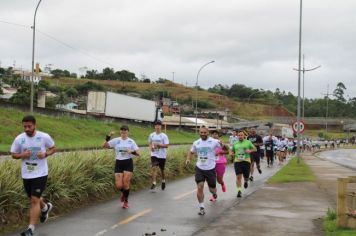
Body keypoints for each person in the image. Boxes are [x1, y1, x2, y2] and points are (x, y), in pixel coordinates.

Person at [11, 115, 56, 236]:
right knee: (34, 199)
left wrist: (46, 154)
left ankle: (30, 229)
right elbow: (13, 154)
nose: (26, 129)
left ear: (35, 125)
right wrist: (23, 155)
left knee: (34, 200)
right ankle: (45, 207)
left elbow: (53, 148)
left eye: (29, 126)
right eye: (24, 126)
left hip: (41, 173)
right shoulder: (19, 139)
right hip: (26, 173)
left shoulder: (43, 136)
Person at [103, 125, 140, 209]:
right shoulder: (116, 140)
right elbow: (104, 146)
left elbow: (138, 153)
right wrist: (108, 136)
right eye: (122, 131)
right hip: (119, 162)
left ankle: (126, 201)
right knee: (119, 185)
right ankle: (123, 192)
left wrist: (132, 151)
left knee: (126, 182)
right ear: (120, 132)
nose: (123, 132)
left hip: (128, 162)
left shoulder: (131, 141)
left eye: (125, 131)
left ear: (128, 132)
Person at [186, 126, 221, 215]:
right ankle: (202, 207)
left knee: (212, 189)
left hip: (210, 169)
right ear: (199, 133)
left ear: (208, 133)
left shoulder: (214, 141)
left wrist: (223, 146)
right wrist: (188, 159)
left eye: (204, 132)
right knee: (200, 186)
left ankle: (214, 193)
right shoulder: (196, 143)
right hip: (200, 168)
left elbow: (225, 148)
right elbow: (191, 152)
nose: (203, 134)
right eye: (201, 132)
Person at [230, 130, 256, 198]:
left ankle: (246, 181)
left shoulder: (248, 142)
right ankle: (239, 191)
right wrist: (231, 153)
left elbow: (255, 149)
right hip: (237, 161)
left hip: (246, 161)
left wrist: (249, 151)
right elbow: (232, 151)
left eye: (241, 135)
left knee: (246, 176)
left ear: (244, 136)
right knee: (238, 177)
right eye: (239, 135)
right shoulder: (235, 143)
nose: (240, 136)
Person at [148, 120, 169, 191]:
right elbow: (150, 143)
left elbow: (167, 145)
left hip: (162, 155)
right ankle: (154, 182)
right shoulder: (151, 135)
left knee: (162, 170)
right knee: (154, 167)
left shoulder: (164, 136)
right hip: (154, 154)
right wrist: (151, 148)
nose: (157, 127)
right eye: (156, 125)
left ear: (161, 127)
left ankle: (163, 180)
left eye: (159, 126)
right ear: (154, 126)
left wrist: (159, 145)